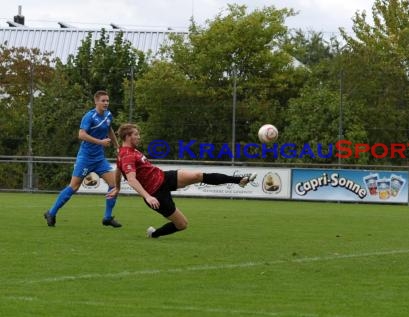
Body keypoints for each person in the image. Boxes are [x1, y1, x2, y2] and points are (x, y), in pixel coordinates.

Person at [111, 123, 257, 238]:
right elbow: (131, 179)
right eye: (136, 134)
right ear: (127, 137)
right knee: (182, 224)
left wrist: (117, 187)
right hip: (155, 193)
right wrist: (147, 196)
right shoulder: (127, 155)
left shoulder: (126, 153)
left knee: (197, 176)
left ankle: (239, 180)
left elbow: (118, 170)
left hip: (163, 177)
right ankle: (154, 234)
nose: (139, 137)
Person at [43, 90, 122, 228]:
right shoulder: (89, 116)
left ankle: (107, 217)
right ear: (96, 101)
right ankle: (51, 212)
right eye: (103, 101)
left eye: (107, 101)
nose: (106, 103)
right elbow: (81, 135)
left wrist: (117, 146)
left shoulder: (108, 115)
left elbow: (109, 130)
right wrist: (100, 142)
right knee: (73, 187)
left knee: (114, 185)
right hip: (85, 158)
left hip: (99, 159)